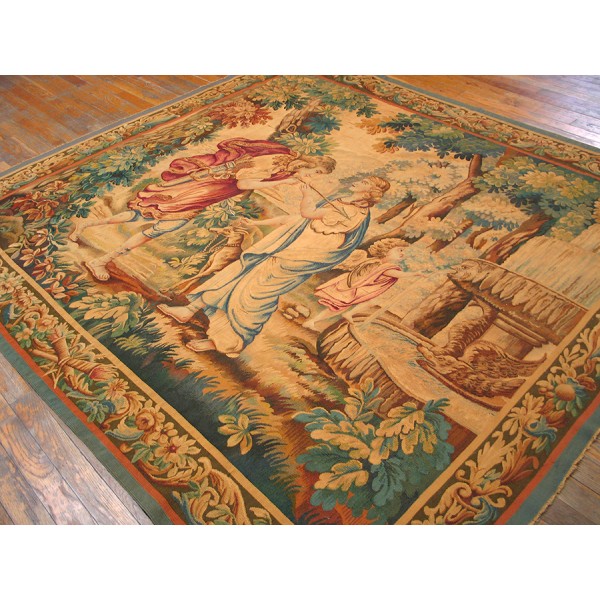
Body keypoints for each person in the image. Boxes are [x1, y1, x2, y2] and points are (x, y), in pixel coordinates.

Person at [157, 175, 391, 357]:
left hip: (297, 260)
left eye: (364, 182)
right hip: (284, 249)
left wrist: (306, 193)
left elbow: (308, 213)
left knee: (253, 296)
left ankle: (227, 343)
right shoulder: (342, 202)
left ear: (369, 192)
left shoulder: (354, 213)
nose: (358, 182)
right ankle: (189, 310)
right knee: (236, 273)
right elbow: (299, 221)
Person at [69, 137, 335, 282]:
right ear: (311, 165)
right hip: (207, 187)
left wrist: (292, 182)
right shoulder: (278, 162)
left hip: (213, 190)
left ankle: (87, 228)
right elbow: (243, 182)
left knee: (152, 214)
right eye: (314, 173)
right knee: (163, 220)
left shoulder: (286, 164)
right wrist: (285, 182)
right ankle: (101, 259)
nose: (311, 177)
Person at [303, 239, 413, 330]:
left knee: (341, 308)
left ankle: (313, 321)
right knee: (344, 306)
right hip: (351, 287)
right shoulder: (381, 265)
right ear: (387, 250)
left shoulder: (379, 263)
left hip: (353, 286)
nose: (402, 253)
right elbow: (393, 273)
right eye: (400, 250)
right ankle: (315, 319)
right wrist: (414, 274)